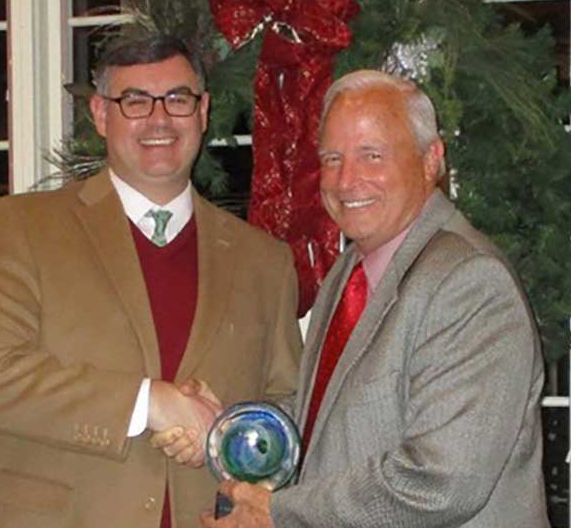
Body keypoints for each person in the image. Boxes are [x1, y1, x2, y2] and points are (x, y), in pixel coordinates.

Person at [0, 34, 302, 528]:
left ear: (202, 112)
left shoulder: (265, 261)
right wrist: (151, 403)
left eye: (177, 99)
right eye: (134, 101)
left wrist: (226, 433)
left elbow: (286, 403)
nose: (159, 119)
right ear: (100, 114)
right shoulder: (24, 228)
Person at [189, 70, 550, 527]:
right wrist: (226, 423)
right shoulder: (350, 270)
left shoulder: (469, 282)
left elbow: (441, 482)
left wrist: (279, 513)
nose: (345, 181)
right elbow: (325, 418)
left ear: (430, 160)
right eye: (333, 158)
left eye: (372, 155)